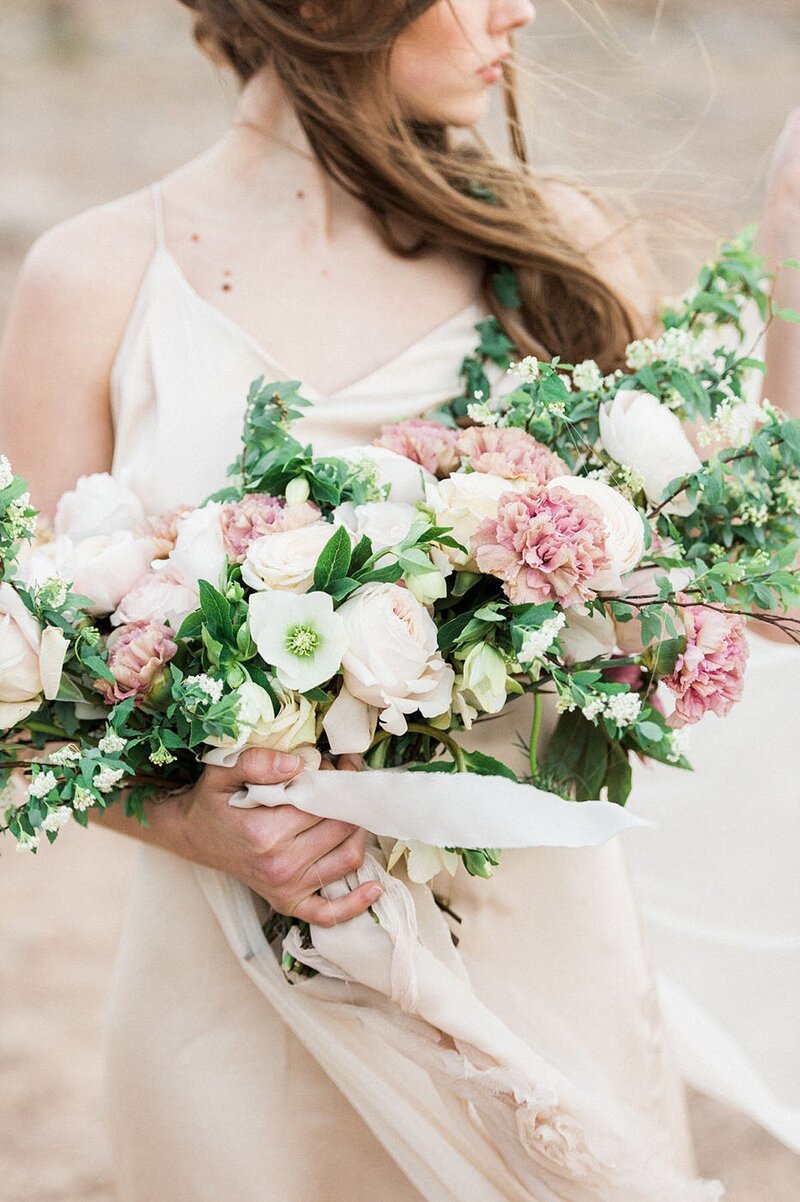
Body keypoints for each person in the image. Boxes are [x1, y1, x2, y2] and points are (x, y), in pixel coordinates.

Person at [0, 3, 794, 1198]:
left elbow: (735, 586)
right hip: (234, 991)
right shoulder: (96, 277)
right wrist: (195, 823)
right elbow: (25, 694)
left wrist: (788, 256)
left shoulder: (549, 247)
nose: (511, 11)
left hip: (539, 953)